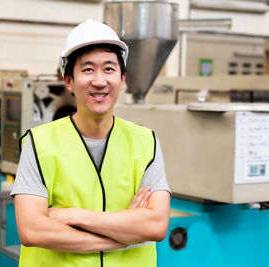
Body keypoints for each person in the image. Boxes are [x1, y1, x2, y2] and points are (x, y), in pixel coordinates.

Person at [11, 19, 171, 267]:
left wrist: (73, 216)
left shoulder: (146, 143)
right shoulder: (38, 144)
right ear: (69, 81)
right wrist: (121, 236)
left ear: (122, 78)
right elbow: (32, 230)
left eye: (109, 69)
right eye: (87, 69)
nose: (99, 80)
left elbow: (156, 225)